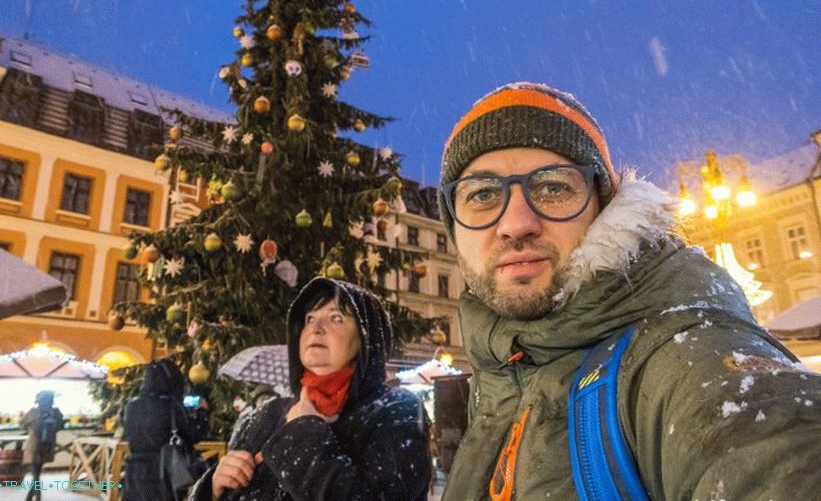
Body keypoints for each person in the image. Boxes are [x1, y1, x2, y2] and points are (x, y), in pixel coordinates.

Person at [437, 82, 821, 500]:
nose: (516, 223)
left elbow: (773, 453)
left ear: (604, 209)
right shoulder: (496, 379)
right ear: (453, 227)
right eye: (483, 194)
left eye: (553, 187)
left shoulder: (681, 357)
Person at [190, 277, 431, 500]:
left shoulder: (396, 410)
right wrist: (213, 487)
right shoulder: (270, 412)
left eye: (336, 317)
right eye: (309, 319)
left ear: (366, 340)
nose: (316, 328)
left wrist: (302, 432)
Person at [123, 359, 202, 501]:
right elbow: (190, 438)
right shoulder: (172, 406)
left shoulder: (131, 405)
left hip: (135, 473)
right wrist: (201, 413)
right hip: (162, 473)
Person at [21, 390, 63, 501]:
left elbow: (22, 426)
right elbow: (60, 427)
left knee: (35, 472)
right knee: (37, 471)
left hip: (34, 446)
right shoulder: (56, 413)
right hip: (48, 446)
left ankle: (36, 496)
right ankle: (32, 497)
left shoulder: (32, 412)